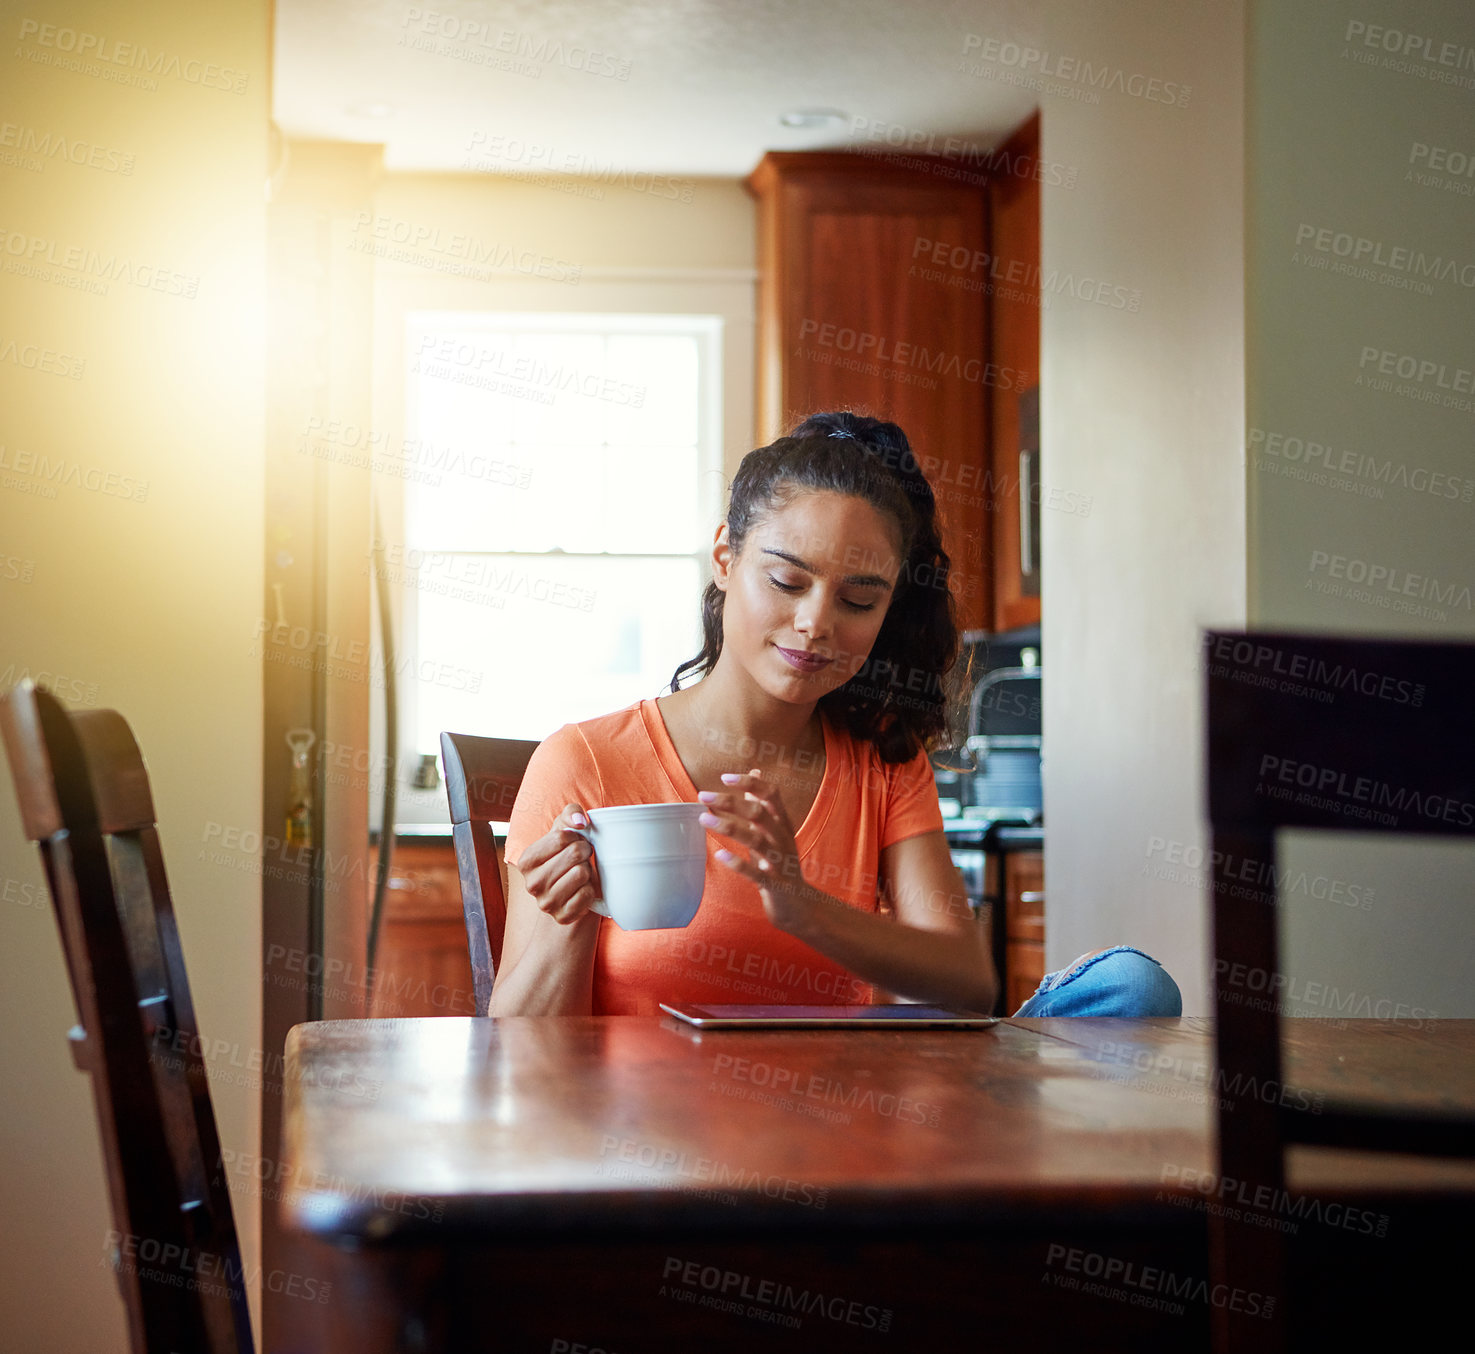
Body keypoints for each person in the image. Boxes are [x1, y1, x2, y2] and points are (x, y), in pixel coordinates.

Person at [491, 412, 1180, 1019]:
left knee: (1130, 987)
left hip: (844, 1133)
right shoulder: (584, 761)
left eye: (857, 602)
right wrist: (569, 919)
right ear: (725, 557)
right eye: (786, 581)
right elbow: (517, 1063)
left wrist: (800, 905)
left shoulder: (880, 758)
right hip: (658, 1144)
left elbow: (967, 983)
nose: (815, 623)